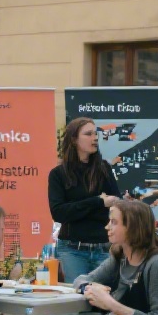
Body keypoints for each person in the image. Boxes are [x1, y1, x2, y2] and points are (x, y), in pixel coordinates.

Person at [49, 117, 121, 282]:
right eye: (88, 134)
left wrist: (77, 209)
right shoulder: (58, 174)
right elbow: (59, 213)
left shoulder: (104, 169)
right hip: (72, 250)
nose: (95, 138)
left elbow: (116, 204)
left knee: (104, 300)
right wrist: (98, 202)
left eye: (95, 134)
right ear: (74, 139)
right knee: (77, 300)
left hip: (103, 248)